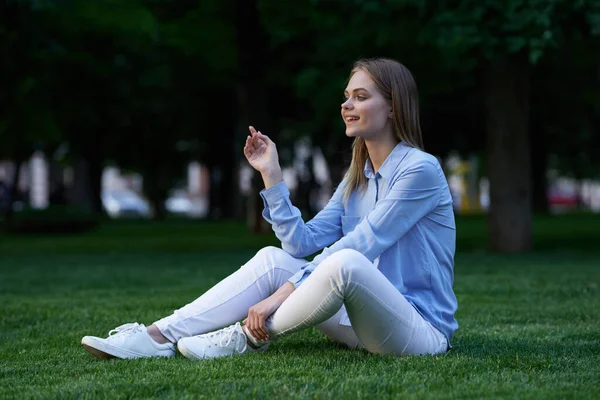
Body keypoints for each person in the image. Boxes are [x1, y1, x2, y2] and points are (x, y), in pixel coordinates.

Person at [81, 58, 458, 360]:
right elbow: (300, 243)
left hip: (418, 331)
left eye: (360, 96)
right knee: (272, 258)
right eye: (346, 96)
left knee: (346, 263)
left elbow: (362, 243)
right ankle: (158, 336)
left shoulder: (419, 170)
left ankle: (244, 337)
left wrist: (282, 296)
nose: (346, 105)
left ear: (393, 107)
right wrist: (271, 174)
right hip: (357, 323)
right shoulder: (357, 177)